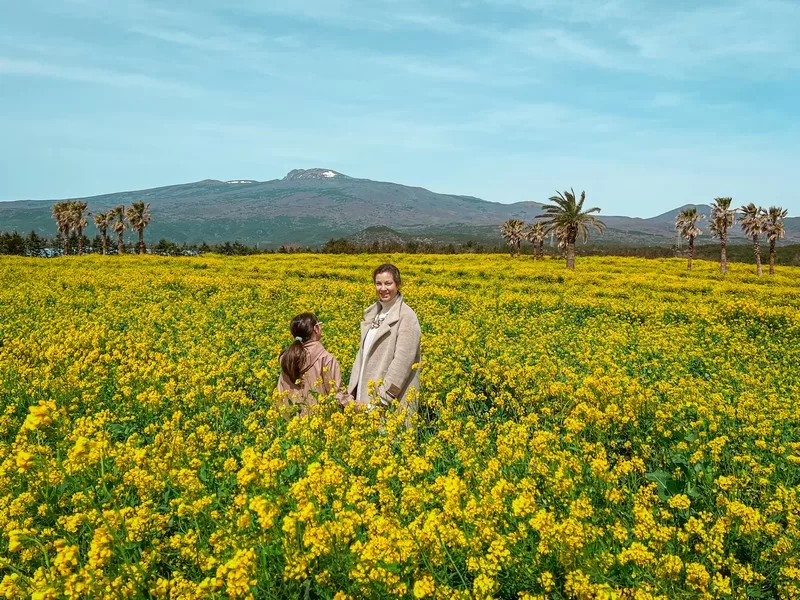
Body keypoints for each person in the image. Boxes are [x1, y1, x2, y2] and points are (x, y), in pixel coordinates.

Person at [347, 263, 421, 420]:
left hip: (387, 401)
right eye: (378, 283)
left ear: (398, 284)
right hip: (365, 396)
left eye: (388, 283)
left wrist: (382, 399)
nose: (383, 288)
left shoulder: (407, 316)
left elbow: (403, 363)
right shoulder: (373, 313)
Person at [277, 312, 342, 416]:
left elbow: (279, 395)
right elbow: (337, 394)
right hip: (318, 424)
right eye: (319, 325)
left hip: (291, 426)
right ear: (315, 329)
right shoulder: (326, 359)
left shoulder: (288, 359)